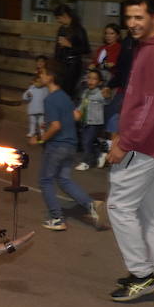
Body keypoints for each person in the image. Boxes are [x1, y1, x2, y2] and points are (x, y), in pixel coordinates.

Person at [105, 0, 154, 302]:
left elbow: (150, 105)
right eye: (129, 18)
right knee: (148, 213)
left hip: (145, 146)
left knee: (119, 206)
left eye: (139, 17)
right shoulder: (151, 49)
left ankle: (142, 274)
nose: (133, 23)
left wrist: (126, 142)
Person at [37, 61, 105, 231]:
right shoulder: (65, 97)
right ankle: (90, 205)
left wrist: (40, 139)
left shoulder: (50, 99)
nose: (40, 75)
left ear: (51, 77)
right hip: (71, 144)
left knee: (46, 181)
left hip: (57, 146)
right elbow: (75, 115)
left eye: (43, 73)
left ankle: (57, 218)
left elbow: (55, 126)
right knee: (64, 179)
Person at [74, 68, 108, 171]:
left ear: (100, 82)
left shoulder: (100, 93)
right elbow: (82, 105)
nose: (91, 81)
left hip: (95, 123)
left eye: (94, 79)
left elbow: (106, 100)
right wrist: (77, 111)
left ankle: (86, 162)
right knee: (88, 141)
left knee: (86, 142)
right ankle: (100, 155)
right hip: (85, 121)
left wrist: (106, 95)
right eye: (89, 78)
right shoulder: (85, 92)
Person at [53, 4, 89, 98]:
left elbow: (86, 49)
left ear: (65, 15)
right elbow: (57, 47)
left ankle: (68, 110)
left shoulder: (79, 30)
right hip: (61, 64)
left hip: (73, 65)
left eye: (59, 18)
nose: (58, 21)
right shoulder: (61, 29)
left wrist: (70, 45)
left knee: (68, 91)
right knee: (59, 89)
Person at [22, 56, 49, 141]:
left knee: (41, 120)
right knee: (33, 120)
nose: (40, 63)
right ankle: (33, 131)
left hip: (41, 102)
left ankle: (41, 132)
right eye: (38, 61)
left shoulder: (45, 73)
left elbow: (43, 84)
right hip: (34, 102)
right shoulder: (36, 73)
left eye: (42, 62)